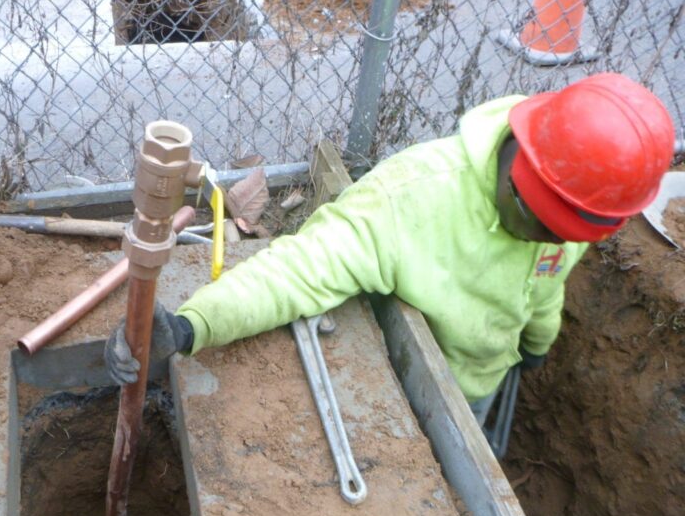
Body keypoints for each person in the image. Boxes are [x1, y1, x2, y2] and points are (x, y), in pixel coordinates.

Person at [105, 73, 675, 430]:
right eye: (544, 225)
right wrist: (188, 327)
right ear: (522, 170)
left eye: (567, 236)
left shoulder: (566, 213)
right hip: (419, 389)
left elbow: (544, 284)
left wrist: (537, 347)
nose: (550, 243)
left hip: (484, 384)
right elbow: (298, 269)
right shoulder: (408, 199)